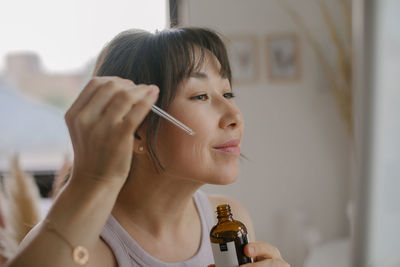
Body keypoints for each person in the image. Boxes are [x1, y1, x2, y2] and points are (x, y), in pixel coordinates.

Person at [5, 27, 290, 267]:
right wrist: (89, 180)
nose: (234, 117)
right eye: (201, 95)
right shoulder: (87, 250)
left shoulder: (231, 218)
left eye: (228, 93)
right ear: (136, 129)